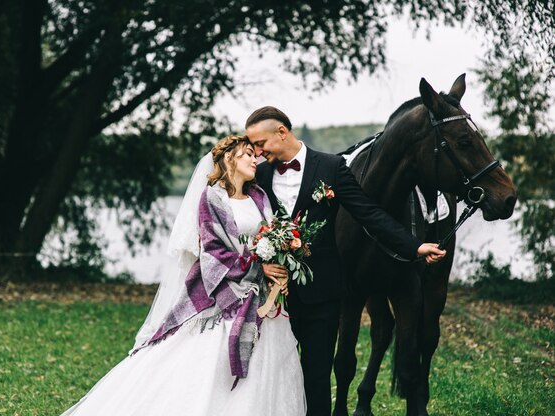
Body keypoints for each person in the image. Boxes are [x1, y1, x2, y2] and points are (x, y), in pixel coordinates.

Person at [59, 135, 306, 416]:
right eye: (247, 154)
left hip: (263, 300)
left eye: (254, 155)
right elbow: (212, 253)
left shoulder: (259, 197)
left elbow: (272, 239)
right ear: (229, 159)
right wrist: (256, 266)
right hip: (222, 295)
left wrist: (277, 268)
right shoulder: (212, 198)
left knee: (268, 368)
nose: (255, 159)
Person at [245, 106, 446, 416]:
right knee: (272, 375)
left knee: (317, 378)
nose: (256, 152)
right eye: (253, 146)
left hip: (321, 295)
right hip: (270, 299)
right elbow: (239, 225)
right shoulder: (256, 174)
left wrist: (415, 246)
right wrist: (261, 265)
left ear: (282, 133)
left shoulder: (331, 167)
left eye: (260, 144)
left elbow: (369, 213)